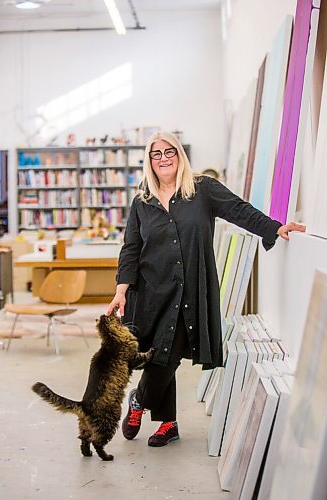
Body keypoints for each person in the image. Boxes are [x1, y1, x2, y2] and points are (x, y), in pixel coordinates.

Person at [106, 130, 305, 447]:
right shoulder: (141, 202)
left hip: (190, 292)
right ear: (150, 162)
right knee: (159, 355)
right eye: (156, 154)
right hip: (149, 293)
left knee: (167, 355)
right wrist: (121, 290)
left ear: (179, 154)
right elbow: (131, 248)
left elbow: (239, 210)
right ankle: (168, 424)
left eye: (169, 151)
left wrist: (275, 227)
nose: (163, 158)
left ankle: (138, 401)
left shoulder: (202, 190)